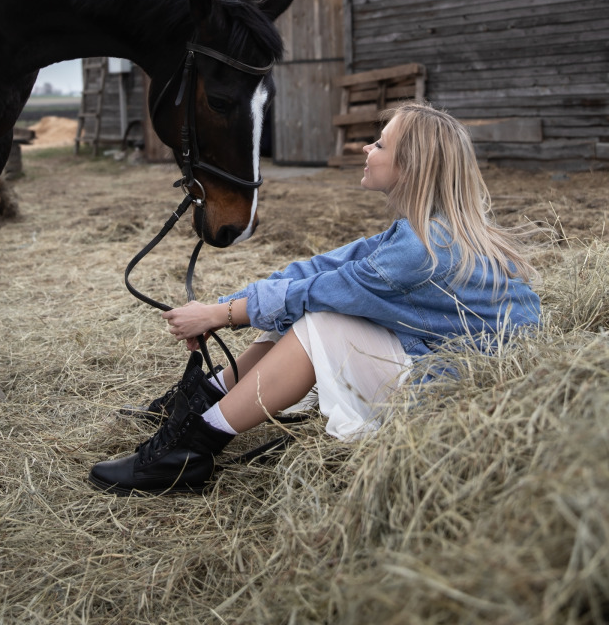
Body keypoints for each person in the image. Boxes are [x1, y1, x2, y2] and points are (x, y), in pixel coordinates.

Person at [88, 101, 540, 496]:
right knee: (305, 302)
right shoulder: (423, 230)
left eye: (380, 145)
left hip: (452, 397)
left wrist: (222, 315)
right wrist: (223, 307)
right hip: (434, 361)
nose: (367, 149)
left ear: (412, 166)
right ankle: (208, 395)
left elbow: (319, 293)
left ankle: (192, 447)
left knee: (318, 318)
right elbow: (318, 269)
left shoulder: (421, 249)